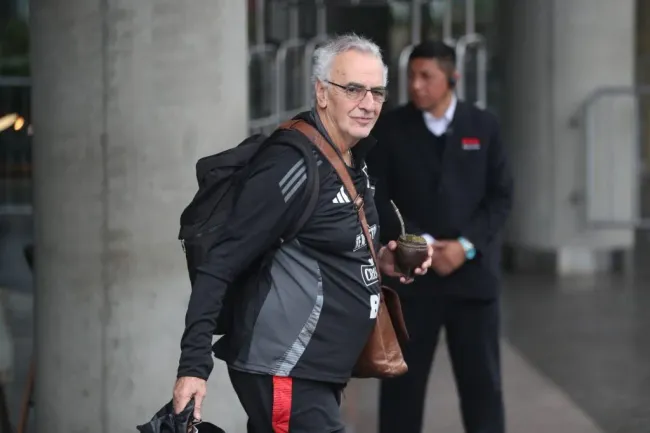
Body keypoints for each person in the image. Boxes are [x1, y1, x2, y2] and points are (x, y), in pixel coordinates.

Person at [171, 34, 434, 433]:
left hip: (320, 372)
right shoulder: (292, 165)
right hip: (286, 371)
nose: (368, 103)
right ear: (322, 93)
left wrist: (385, 258)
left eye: (377, 91)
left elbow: (333, 244)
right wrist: (193, 365)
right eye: (353, 89)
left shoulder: (353, 159)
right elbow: (220, 262)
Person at [367, 40, 514, 433]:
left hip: (473, 281)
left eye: (426, 76)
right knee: (402, 389)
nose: (416, 85)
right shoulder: (392, 128)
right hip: (413, 282)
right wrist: (422, 244)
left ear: (452, 77)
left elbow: (500, 197)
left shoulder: (483, 126)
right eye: (411, 76)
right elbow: (379, 194)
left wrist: (464, 247)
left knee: (482, 386)